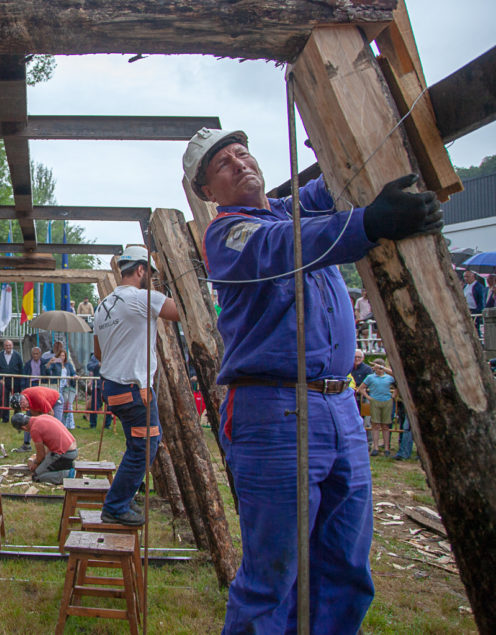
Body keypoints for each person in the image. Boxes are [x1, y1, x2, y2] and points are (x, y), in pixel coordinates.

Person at [184, 126, 441, 633]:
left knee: (345, 568)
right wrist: (369, 223)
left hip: (340, 405)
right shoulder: (228, 234)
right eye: (223, 164)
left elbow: (336, 185)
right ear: (208, 191)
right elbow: (286, 244)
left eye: (242, 153)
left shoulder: (289, 210)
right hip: (274, 410)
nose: (240, 164)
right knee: (272, 579)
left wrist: (334, 141)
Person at [93, 245, 179, 526]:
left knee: (137, 444)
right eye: (150, 274)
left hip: (113, 387)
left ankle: (123, 497)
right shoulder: (143, 298)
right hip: (133, 389)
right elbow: (180, 312)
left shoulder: (103, 306)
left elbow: (99, 353)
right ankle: (116, 506)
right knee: (145, 447)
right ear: (141, 270)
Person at [11, 412, 78, 484]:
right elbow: (49, 447)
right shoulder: (43, 417)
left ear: (23, 427)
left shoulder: (34, 429)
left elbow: (41, 455)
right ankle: (67, 466)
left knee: (37, 476)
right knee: (43, 467)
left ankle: (68, 475)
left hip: (64, 454)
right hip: (72, 450)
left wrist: (35, 463)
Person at [8, 385, 62, 452]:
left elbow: (50, 413)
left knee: (56, 425)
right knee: (27, 422)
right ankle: (26, 445)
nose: (24, 409)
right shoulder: (24, 397)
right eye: (21, 408)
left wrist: (44, 428)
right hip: (38, 401)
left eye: (22, 406)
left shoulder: (38, 398)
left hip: (56, 400)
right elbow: (35, 418)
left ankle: (57, 448)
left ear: (22, 401)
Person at [359, 361, 397, 457]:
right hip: (375, 401)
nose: (379, 370)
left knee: (385, 425)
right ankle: (375, 447)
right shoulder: (370, 377)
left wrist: (393, 396)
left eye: (381, 368)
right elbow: (361, 388)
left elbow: (397, 384)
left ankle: (387, 448)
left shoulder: (389, 378)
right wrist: (368, 397)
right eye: (377, 368)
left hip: (387, 401)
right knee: (375, 425)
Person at [0, 339, 23, 423]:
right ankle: (5, 418)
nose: (8, 347)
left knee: (17, 400)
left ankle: (17, 417)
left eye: (9, 345)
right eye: (6, 345)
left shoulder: (17, 355)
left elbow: (21, 368)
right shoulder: (0, 355)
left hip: (16, 381)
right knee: (4, 400)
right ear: (4, 346)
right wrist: (0, 378)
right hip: (4, 381)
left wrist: (20, 380)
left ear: (12, 346)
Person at [47, 349, 77, 429]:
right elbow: (47, 371)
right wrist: (50, 362)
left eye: (63, 356)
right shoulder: (55, 364)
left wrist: (75, 376)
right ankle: (57, 423)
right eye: (60, 356)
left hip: (66, 387)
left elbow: (73, 372)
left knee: (68, 405)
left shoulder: (68, 364)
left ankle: (69, 424)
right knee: (58, 405)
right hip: (57, 387)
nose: (62, 357)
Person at [350, 349, 372, 444]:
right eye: (355, 357)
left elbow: (370, 383)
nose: (357, 359)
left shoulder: (367, 369)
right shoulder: (348, 368)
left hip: (364, 397)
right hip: (352, 397)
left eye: (359, 357)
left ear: (363, 358)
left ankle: (368, 442)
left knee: (366, 421)